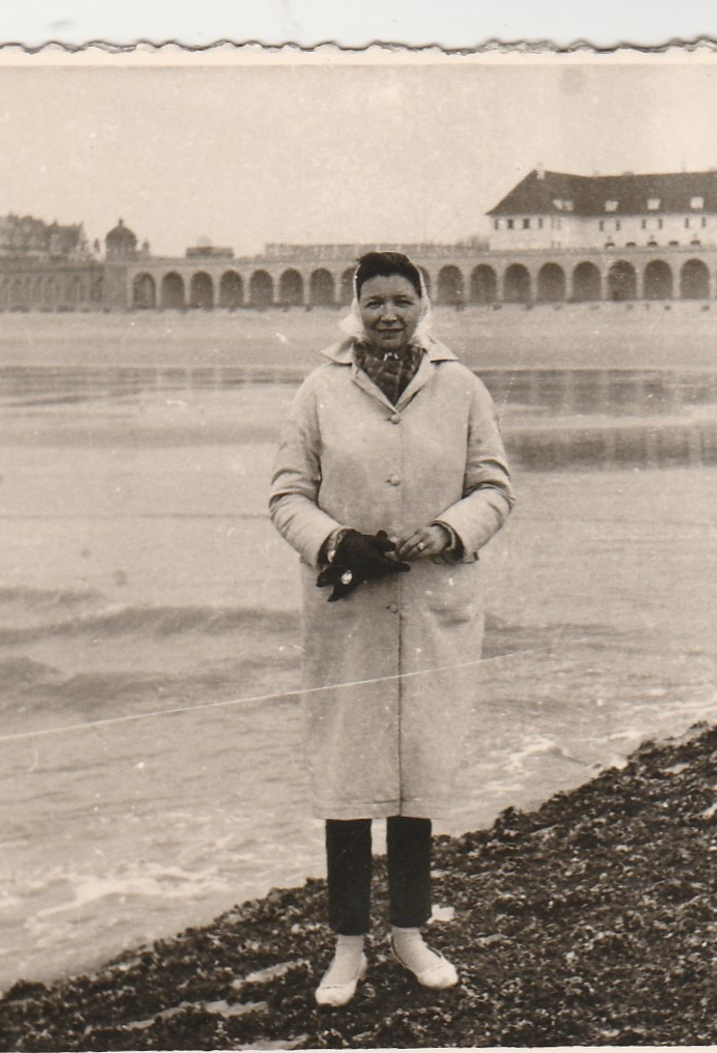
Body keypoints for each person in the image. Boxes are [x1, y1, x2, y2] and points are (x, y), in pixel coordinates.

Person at [269, 251, 515, 1007]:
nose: (386, 314)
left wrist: (447, 531)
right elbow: (286, 494)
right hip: (348, 611)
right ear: (353, 308)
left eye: (400, 301)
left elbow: (495, 486)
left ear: (422, 305)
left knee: (417, 776)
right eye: (372, 301)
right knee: (347, 778)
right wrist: (334, 541)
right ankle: (346, 946)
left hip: (433, 610)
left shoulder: (461, 387)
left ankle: (408, 932)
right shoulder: (319, 390)